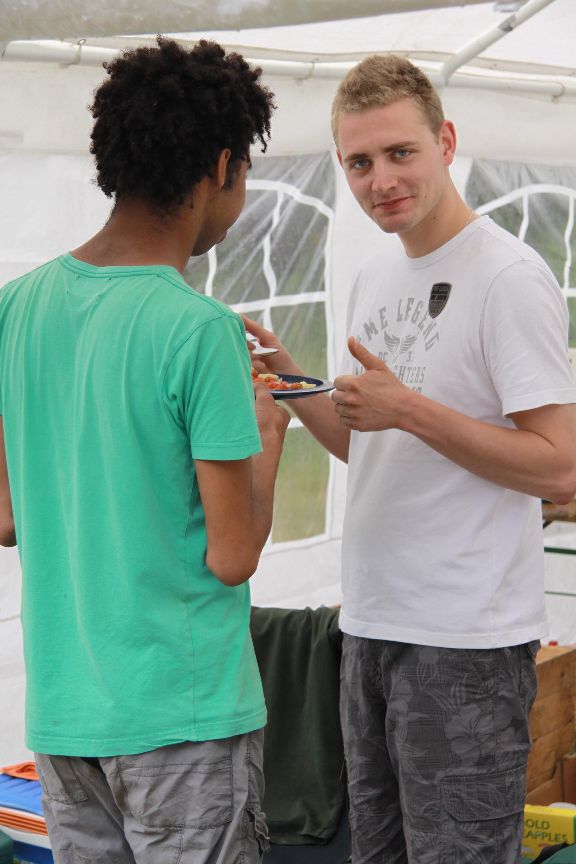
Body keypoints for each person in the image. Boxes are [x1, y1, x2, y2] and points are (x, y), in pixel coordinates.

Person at [244, 54, 576, 864]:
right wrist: (290, 375)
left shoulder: (508, 276)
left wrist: (410, 410)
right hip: (368, 626)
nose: (381, 180)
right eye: (360, 162)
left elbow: (560, 466)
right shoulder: (375, 274)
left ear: (446, 142)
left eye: (400, 153)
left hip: (465, 641)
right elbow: (367, 447)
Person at [0, 37, 290, 864]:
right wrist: (268, 440)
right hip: (183, 718)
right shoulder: (199, 329)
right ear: (222, 166)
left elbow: (6, 519)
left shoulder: (15, 307)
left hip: (66, 718)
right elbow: (232, 556)